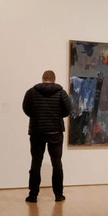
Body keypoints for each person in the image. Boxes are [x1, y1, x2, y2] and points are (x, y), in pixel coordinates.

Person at [22, 70, 71, 203]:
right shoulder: (61, 93)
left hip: (37, 131)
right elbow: (68, 110)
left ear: (43, 79)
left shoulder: (31, 92)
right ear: (54, 80)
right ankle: (58, 195)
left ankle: (33, 195)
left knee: (36, 163)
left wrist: (37, 116)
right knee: (57, 163)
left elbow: (26, 109)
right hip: (55, 132)